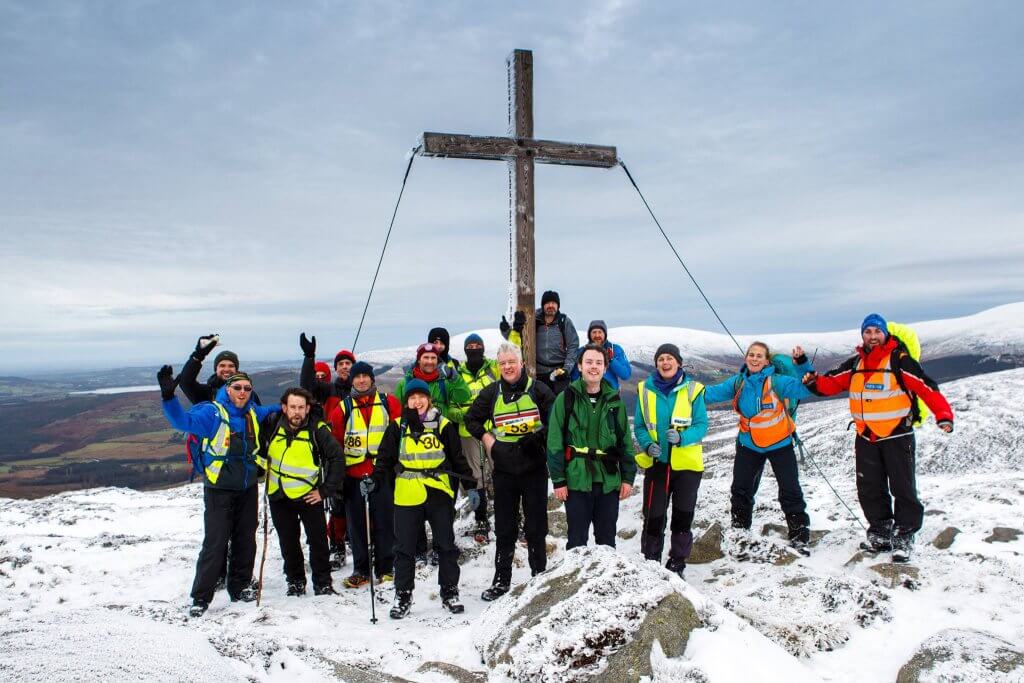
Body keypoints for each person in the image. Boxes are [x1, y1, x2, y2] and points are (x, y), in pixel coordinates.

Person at [804, 313, 954, 562]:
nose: (872, 337)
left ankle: (904, 536)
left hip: (897, 435)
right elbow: (832, 383)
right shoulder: (856, 364)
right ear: (862, 336)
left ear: (885, 334)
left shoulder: (900, 360)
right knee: (869, 487)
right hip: (866, 437)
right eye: (868, 332)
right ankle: (881, 533)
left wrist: (943, 415)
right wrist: (813, 383)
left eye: (876, 332)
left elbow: (926, 387)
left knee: (902, 487)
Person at [158, 367, 280, 617]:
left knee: (246, 539)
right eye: (237, 387)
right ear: (227, 389)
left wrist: (300, 403)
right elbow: (182, 421)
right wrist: (169, 397)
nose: (243, 392)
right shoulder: (212, 412)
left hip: (247, 487)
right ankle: (201, 597)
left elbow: (276, 409)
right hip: (219, 489)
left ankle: (240, 586)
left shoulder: (252, 413)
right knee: (215, 542)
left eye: (247, 388)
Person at [364, 379, 477, 619]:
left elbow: (458, 459)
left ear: (429, 399)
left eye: (421, 397)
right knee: (403, 548)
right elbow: (384, 459)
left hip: (439, 492)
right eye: (412, 398)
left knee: (445, 545)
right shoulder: (397, 426)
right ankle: (403, 595)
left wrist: (471, 486)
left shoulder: (444, 425)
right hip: (407, 493)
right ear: (407, 402)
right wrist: (373, 480)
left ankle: (449, 591)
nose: (417, 402)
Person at [464, 342, 555, 600]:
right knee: (505, 527)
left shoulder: (538, 390)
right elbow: (471, 419)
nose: (507, 367)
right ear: (498, 366)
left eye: (511, 362)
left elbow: (557, 419)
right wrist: (487, 440)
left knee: (536, 525)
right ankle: (501, 580)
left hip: (534, 467)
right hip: (504, 468)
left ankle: (539, 576)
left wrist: (539, 438)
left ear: (521, 363)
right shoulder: (491, 392)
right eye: (502, 363)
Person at [703, 342, 815, 552]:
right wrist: (683, 387)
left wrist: (802, 365)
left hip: (780, 443)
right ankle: (740, 531)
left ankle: (800, 536)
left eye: (759, 356)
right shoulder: (739, 382)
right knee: (741, 489)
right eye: (751, 355)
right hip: (749, 444)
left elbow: (806, 388)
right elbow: (710, 394)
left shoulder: (778, 382)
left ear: (766, 361)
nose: (754, 359)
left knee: (790, 490)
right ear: (746, 358)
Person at [546, 344, 636, 549]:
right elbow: (554, 441)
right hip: (577, 479)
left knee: (607, 542)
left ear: (605, 368)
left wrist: (628, 478)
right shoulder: (565, 399)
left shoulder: (615, 401)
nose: (593, 367)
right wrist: (559, 479)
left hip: (608, 480)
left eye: (598, 363)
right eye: (588, 362)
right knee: (577, 542)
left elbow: (625, 443)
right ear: (579, 366)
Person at [633, 343, 708, 577]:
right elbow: (639, 426)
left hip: (686, 465)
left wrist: (683, 437)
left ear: (679, 363)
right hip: (657, 465)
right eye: (661, 359)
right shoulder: (644, 389)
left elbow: (701, 425)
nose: (665, 363)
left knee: (682, 516)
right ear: (656, 363)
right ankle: (651, 561)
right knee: (653, 515)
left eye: (670, 359)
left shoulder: (693, 390)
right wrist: (647, 444)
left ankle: (677, 563)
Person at [263, 387, 344, 596]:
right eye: (292, 407)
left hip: (309, 495)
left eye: (301, 407)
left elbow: (337, 458)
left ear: (308, 408)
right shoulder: (272, 426)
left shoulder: (317, 430)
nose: (297, 412)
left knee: (317, 541)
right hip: (279, 495)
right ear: (284, 407)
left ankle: (323, 583)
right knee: (288, 542)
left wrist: (325, 491)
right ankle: (296, 581)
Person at [327, 361, 401, 588]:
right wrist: (336, 478)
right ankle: (361, 569)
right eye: (357, 377)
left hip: (382, 473)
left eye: (365, 376)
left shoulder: (389, 403)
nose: (361, 380)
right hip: (353, 474)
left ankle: (386, 568)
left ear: (372, 379)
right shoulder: (342, 408)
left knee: (384, 521)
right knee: (356, 525)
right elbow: (335, 444)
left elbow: (401, 434)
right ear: (352, 380)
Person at [298, 333, 355, 569]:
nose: (344, 367)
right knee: (338, 505)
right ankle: (337, 546)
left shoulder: (364, 389)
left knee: (360, 503)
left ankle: (359, 541)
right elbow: (307, 385)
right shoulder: (328, 389)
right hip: (334, 455)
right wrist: (309, 357)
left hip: (359, 456)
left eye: (348, 363)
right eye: (340, 364)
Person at [449, 333, 501, 540]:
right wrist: (467, 417)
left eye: (477, 345)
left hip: (494, 431)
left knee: (503, 471)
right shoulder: (457, 375)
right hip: (468, 433)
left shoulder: (492, 368)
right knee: (475, 478)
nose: (474, 349)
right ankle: (481, 519)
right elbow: (451, 407)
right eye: (470, 346)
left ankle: (512, 516)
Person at [500, 290, 579, 395]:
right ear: (542, 305)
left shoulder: (564, 322)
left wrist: (566, 369)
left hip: (559, 372)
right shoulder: (532, 319)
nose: (551, 305)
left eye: (554, 303)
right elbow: (518, 340)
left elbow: (573, 346)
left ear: (558, 305)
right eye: (547, 303)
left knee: (562, 405)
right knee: (540, 405)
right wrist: (506, 331)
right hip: (538, 373)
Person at [178, 334, 262, 405]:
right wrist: (198, 356)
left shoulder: (248, 394)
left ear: (236, 369)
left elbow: (261, 419)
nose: (226, 369)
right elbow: (185, 382)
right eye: (222, 365)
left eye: (231, 366)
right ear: (216, 369)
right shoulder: (207, 394)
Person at [570, 320, 632, 390]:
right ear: (589, 335)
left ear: (605, 334)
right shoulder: (581, 351)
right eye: (594, 332)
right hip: (586, 396)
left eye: (600, 332)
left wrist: (611, 360)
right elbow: (574, 377)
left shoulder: (615, 349)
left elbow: (625, 375)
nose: (597, 335)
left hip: (610, 396)